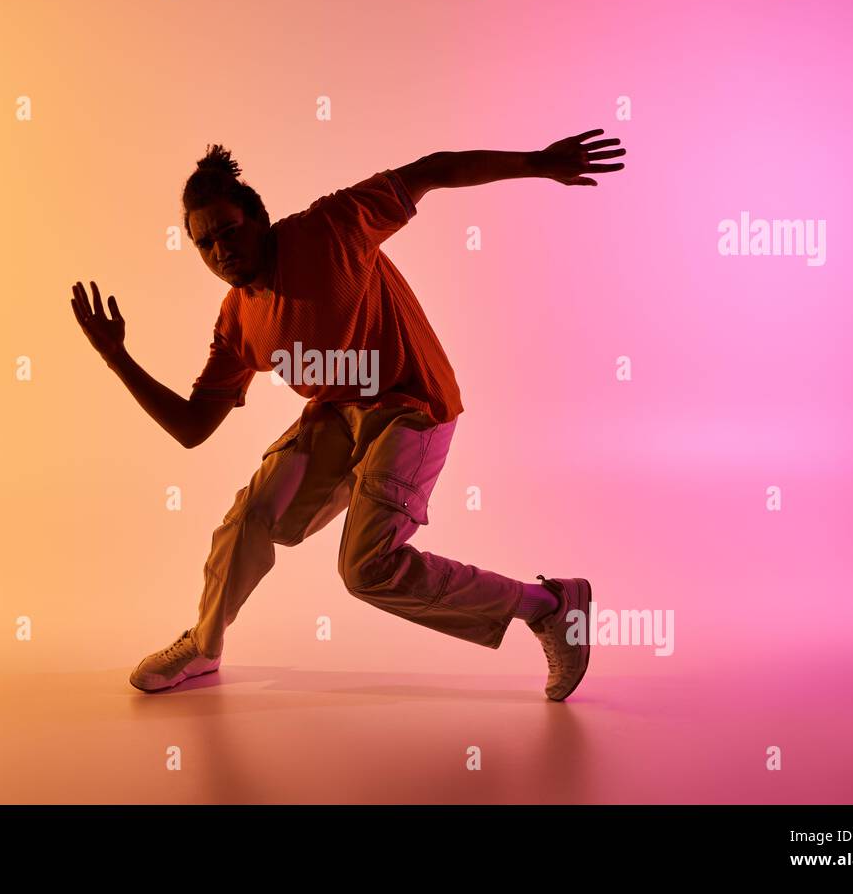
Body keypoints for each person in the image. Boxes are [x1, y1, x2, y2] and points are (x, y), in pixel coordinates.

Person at [70, 131, 626, 700]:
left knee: (366, 570)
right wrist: (118, 359)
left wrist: (537, 163)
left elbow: (431, 169)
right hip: (338, 414)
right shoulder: (238, 317)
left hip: (413, 404)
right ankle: (205, 643)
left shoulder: (329, 229)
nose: (221, 252)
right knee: (250, 516)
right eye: (205, 244)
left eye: (230, 232)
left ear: (260, 219)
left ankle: (550, 606)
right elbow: (193, 428)